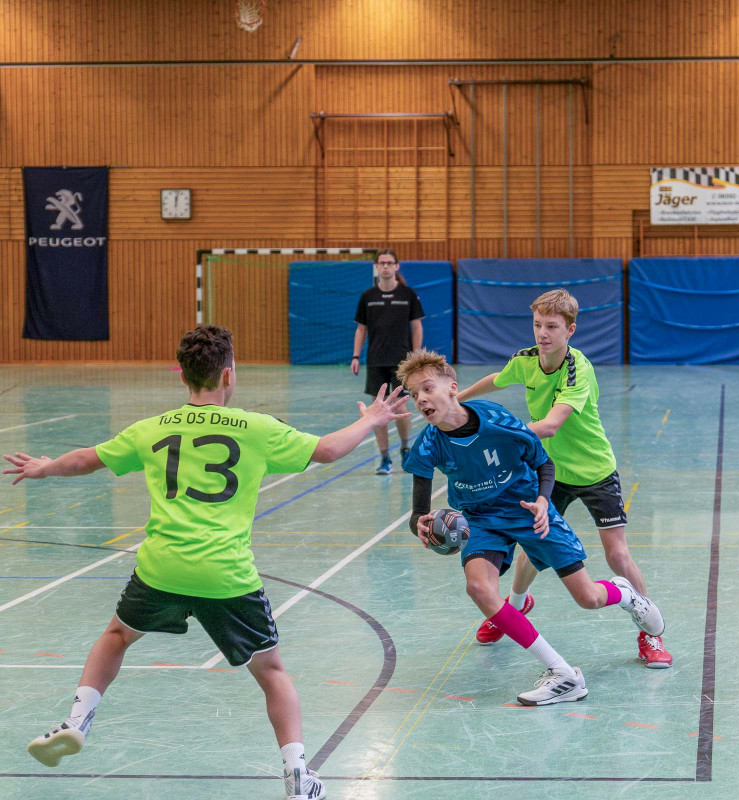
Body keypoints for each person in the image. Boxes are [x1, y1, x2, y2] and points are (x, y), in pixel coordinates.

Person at [3, 325, 409, 800]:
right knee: (272, 673)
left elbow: (86, 460)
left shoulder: (152, 428)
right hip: (226, 575)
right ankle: (298, 775)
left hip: (162, 568)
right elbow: (329, 449)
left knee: (116, 636)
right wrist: (372, 419)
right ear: (229, 375)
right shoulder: (257, 429)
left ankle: (76, 721)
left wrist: (44, 467)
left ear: (183, 377)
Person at [399, 349, 665, 705]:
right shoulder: (428, 444)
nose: (420, 399)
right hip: (480, 519)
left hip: (527, 509)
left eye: (427, 388)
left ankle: (625, 593)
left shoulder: (496, 419)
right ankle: (563, 673)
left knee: (588, 598)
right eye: (414, 394)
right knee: (479, 588)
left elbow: (543, 463)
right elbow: (417, 513)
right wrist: (422, 525)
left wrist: (542, 500)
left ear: (452, 388)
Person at [458, 290, 672, 668]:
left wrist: (495, 435)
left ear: (570, 330)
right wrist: (459, 400)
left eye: (552, 327)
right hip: (550, 473)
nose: (543, 333)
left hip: (594, 471)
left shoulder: (577, 369)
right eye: (538, 325)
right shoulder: (526, 360)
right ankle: (515, 605)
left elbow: (552, 424)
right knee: (532, 548)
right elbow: (499, 378)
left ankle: (650, 632)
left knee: (617, 555)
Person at [352, 249, 424, 475]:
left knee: (401, 405)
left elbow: (417, 327)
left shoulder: (408, 294)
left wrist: (416, 357)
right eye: (381, 263)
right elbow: (361, 329)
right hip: (376, 361)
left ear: (396, 266)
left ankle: (405, 448)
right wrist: (356, 356)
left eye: (389, 263)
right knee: (377, 410)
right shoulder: (368, 297)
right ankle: (384, 458)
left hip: (402, 361)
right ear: (376, 267)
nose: (385, 266)